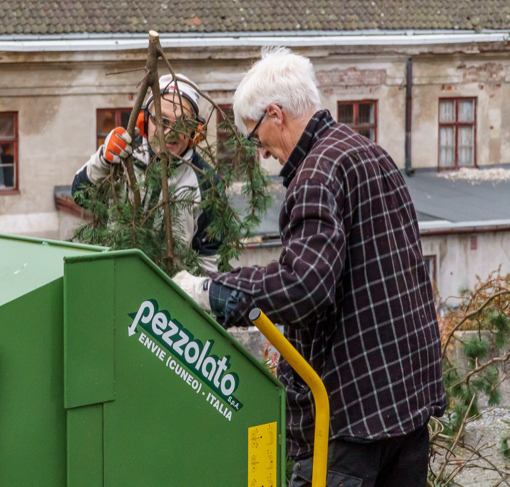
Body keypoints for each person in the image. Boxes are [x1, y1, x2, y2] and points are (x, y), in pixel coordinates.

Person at [174, 47, 445, 487]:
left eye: (254, 135)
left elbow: (303, 284)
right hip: (406, 403)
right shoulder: (369, 152)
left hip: (351, 415)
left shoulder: (317, 173)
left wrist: (211, 290)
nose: (260, 152)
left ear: (275, 114)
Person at [72, 74, 221, 271]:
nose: (171, 132)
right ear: (145, 121)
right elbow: (80, 195)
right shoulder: (124, 157)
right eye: (163, 120)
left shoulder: (205, 180)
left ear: (196, 130)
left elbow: (211, 256)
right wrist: (103, 161)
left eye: (182, 123)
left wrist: (189, 291)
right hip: (116, 276)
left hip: (171, 290)